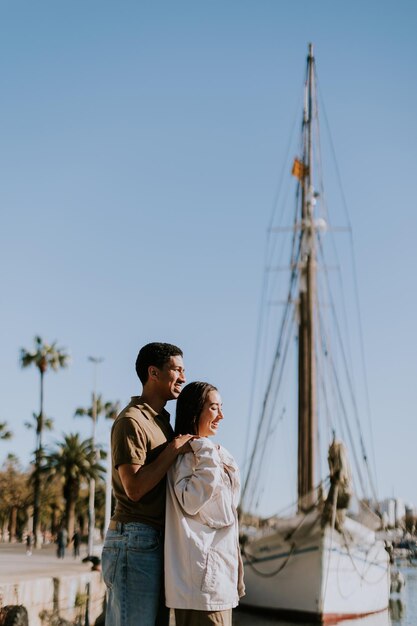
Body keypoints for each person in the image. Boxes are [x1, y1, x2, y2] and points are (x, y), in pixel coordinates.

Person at [101, 342, 193, 626]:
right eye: (177, 370)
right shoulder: (132, 421)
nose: (183, 377)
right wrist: (173, 449)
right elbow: (135, 487)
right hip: (134, 540)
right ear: (153, 372)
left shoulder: (162, 422)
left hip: (155, 540)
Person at [165, 382, 245, 626]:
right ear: (195, 412)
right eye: (213, 408)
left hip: (215, 585)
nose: (221, 415)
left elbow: (230, 506)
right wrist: (206, 449)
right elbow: (192, 502)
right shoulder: (189, 459)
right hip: (201, 588)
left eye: (221, 407)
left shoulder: (209, 454)